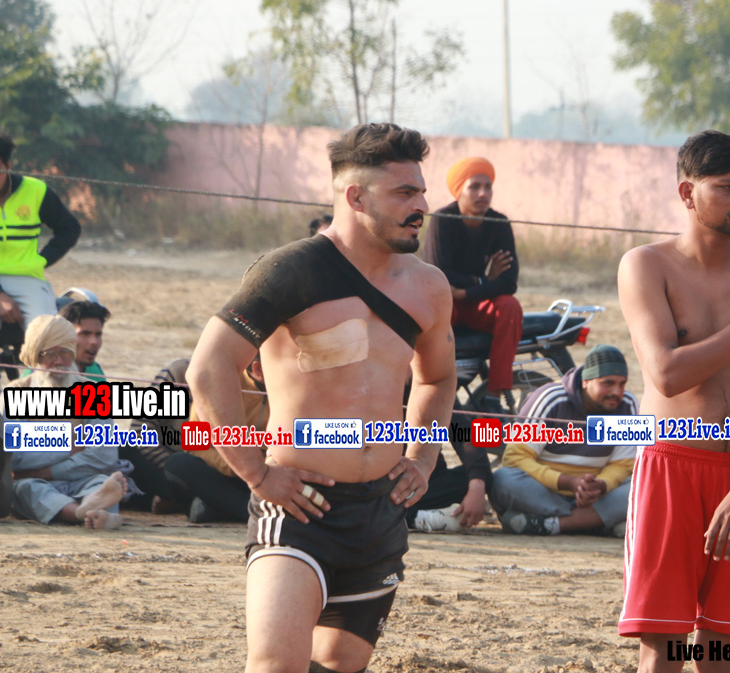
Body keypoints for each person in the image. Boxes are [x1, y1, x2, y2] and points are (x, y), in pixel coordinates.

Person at [187, 122, 456, 673]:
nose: (422, 207)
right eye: (405, 193)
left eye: (422, 192)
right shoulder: (289, 271)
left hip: (381, 511)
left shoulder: (428, 285)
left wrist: (423, 458)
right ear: (355, 197)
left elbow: (437, 379)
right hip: (297, 506)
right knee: (276, 665)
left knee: (337, 666)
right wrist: (256, 472)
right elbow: (209, 369)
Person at [617, 130, 730, 672]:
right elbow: (667, 374)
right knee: (663, 646)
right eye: (726, 187)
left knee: (725, 648)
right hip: (671, 466)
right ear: (687, 192)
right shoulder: (646, 265)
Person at [490, 344, 638, 536]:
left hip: (596, 497)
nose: (616, 392)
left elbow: (624, 464)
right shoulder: (550, 399)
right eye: (607, 383)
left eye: (622, 384)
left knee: (645, 486)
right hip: (546, 492)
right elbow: (515, 458)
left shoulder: (627, 404)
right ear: (585, 381)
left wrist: (600, 486)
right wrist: (568, 482)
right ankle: (594, 522)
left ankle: (554, 524)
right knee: (503, 479)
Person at [7, 315, 128, 530]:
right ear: (35, 356)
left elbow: (104, 456)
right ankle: (82, 513)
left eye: (65, 353)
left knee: (103, 484)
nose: (59, 362)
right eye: (50, 354)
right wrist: (69, 445)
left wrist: (43, 462)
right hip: (36, 484)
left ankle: (96, 511)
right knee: (25, 489)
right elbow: (14, 458)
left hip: (82, 480)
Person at [422, 157, 523, 410]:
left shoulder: (499, 223)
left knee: (509, 306)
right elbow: (440, 274)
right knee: (436, 309)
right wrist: (482, 280)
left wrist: (465, 292)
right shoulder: (443, 219)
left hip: (472, 301)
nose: (483, 193)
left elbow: (508, 282)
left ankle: (494, 394)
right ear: (459, 191)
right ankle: (433, 386)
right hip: (447, 301)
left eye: (487, 187)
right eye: (474, 187)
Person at [162, 355, 272, 523]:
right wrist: (243, 464)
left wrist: (265, 467)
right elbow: (194, 446)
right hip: (227, 474)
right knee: (177, 465)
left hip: (271, 477)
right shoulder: (217, 382)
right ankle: (251, 512)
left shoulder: (295, 387)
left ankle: (217, 510)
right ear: (258, 369)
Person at [0, 134, 81, 329]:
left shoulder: (35, 190)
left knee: (46, 332)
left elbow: (69, 228)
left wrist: (42, 260)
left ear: (8, 166)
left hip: (26, 279)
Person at [58, 300, 110, 381]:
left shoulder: (96, 372)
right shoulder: (48, 373)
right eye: (85, 334)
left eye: (98, 335)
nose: (94, 342)